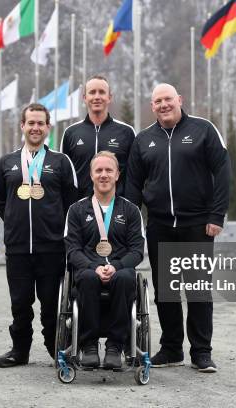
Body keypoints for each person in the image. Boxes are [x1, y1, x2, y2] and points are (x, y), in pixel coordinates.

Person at [125, 83, 231, 373]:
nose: (163, 104)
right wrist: (132, 224)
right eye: (157, 100)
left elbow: (222, 171)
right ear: (152, 106)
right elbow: (133, 184)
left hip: (198, 224)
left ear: (180, 100)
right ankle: (171, 348)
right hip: (159, 226)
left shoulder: (203, 130)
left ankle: (201, 352)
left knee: (198, 290)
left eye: (168, 99)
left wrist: (216, 216)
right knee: (166, 291)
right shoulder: (143, 140)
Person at [0, 103, 78, 367]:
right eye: (31, 123)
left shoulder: (61, 162)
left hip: (51, 248)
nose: (35, 128)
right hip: (18, 247)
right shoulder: (6, 163)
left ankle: (57, 351)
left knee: (51, 306)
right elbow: (0, 199)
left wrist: (53, 228)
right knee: (20, 304)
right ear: (22, 126)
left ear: (48, 127)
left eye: (40, 123)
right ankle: (20, 351)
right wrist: (16, 223)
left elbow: (71, 203)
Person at [64, 151, 145, 369]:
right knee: (88, 277)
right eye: (98, 170)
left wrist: (115, 266)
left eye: (109, 170)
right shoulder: (76, 210)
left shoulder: (131, 210)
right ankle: (88, 346)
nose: (103, 175)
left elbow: (137, 250)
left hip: (120, 268)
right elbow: (72, 250)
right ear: (91, 175)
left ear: (117, 174)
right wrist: (94, 266)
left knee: (126, 278)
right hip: (88, 269)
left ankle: (115, 346)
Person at [61, 74, 135, 199]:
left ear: (109, 97)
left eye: (101, 92)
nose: (97, 97)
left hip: (116, 212)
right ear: (84, 98)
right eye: (92, 92)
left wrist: (129, 208)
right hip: (80, 211)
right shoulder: (70, 133)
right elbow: (64, 177)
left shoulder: (126, 132)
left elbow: (133, 177)